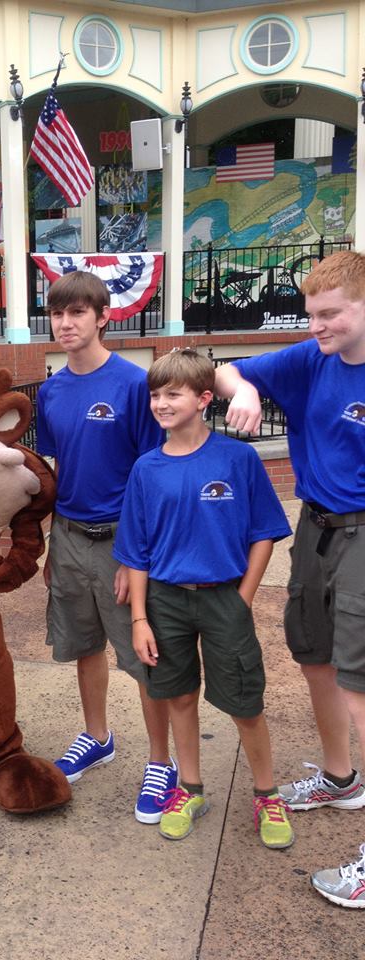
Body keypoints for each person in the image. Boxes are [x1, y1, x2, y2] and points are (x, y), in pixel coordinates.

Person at [214, 250, 365, 900]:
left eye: (330, 315)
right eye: (312, 315)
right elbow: (220, 371)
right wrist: (243, 387)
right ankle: (341, 779)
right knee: (316, 663)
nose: (319, 326)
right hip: (317, 526)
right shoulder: (311, 359)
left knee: (360, 685)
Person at [114, 348, 294, 848]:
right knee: (178, 695)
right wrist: (139, 619)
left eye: (173, 394)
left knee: (245, 701)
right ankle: (189, 789)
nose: (160, 403)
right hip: (166, 601)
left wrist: (243, 597)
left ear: (204, 399)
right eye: (155, 394)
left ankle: (267, 795)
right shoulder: (146, 470)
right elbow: (137, 551)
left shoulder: (236, 458)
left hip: (223, 598)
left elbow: (263, 531)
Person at [36, 270, 174, 824]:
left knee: (144, 658)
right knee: (83, 644)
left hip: (122, 541)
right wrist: (50, 543)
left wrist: (134, 555)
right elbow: (58, 468)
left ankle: (161, 761)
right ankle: (97, 736)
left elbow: (154, 472)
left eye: (77, 313)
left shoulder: (133, 385)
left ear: (103, 317)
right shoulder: (50, 390)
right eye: (57, 313)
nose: (65, 324)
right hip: (68, 537)